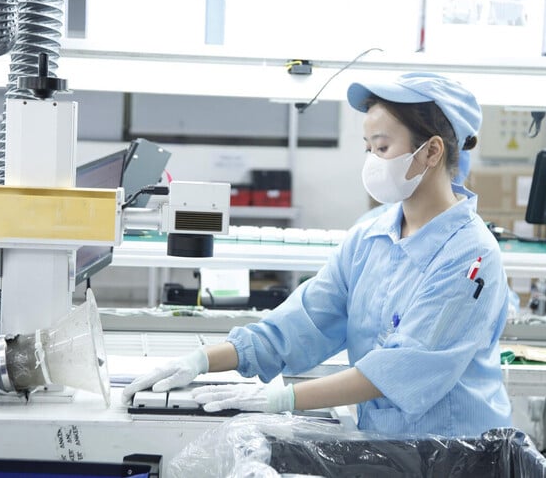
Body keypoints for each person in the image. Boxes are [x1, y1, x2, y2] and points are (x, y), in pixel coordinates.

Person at [122, 72, 513, 437]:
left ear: (431, 151)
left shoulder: (469, 255)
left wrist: (281, 400)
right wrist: (201, 360)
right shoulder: (370, 238)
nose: (371, 161)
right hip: (389, 446)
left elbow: (402, 368)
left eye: (382, 147)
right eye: (368, 148)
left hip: (457, 454)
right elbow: (301, 323)